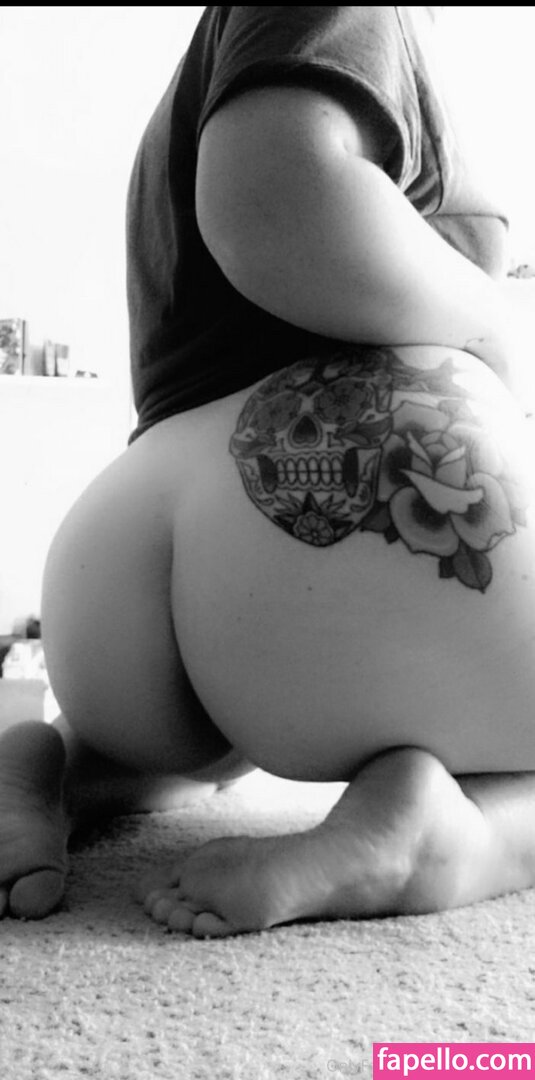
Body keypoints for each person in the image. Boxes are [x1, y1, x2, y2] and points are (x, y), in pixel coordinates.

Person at [1, 6, 534, 937]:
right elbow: (279, 197)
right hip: (330, 494)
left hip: (116, 578)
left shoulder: (223, 65)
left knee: (210, 745)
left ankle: (68, 769)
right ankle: (453, 833)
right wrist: (493, 328)